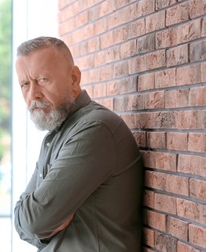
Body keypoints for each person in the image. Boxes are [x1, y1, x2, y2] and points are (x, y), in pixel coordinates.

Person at [13, 36, 143, 252]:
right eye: (25, 84)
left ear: (74, 78)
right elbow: (22, 219)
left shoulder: (95, 129)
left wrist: (40, 225)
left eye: (43, 79)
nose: (33, 94)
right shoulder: (56, 134)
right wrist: (40, 231)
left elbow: (34, 221)